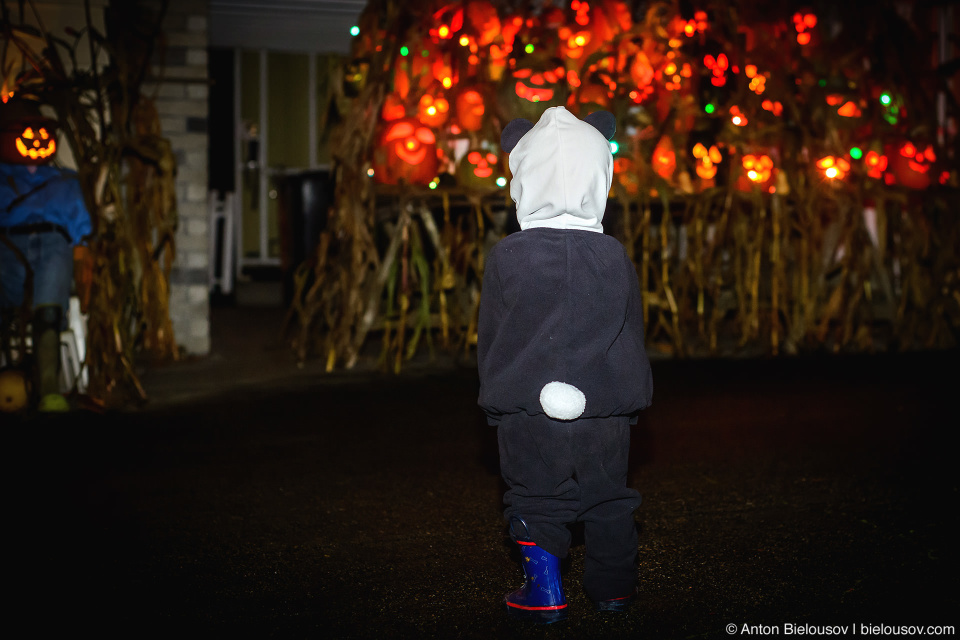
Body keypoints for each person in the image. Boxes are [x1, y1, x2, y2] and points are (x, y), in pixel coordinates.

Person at [477, 106, 653, 623]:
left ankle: (546, 587)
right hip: (604, 405)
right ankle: (614, 588)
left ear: (523, 182)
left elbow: (492, 336)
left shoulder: (508, 257)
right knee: (608, 496)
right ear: (599, 180)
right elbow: (631, 331)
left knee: (535, 491)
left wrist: (494, 400)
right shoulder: (615, 256)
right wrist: (631, 399)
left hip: (528, 404)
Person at [0, 100, 92, 412]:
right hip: (9, 246)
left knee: (48, 313)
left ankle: (50, 389)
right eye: (28, 134)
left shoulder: (65, 181)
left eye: (43, 134)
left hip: (54, 242)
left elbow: (81, 230)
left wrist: (83, 268)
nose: (37, 140)